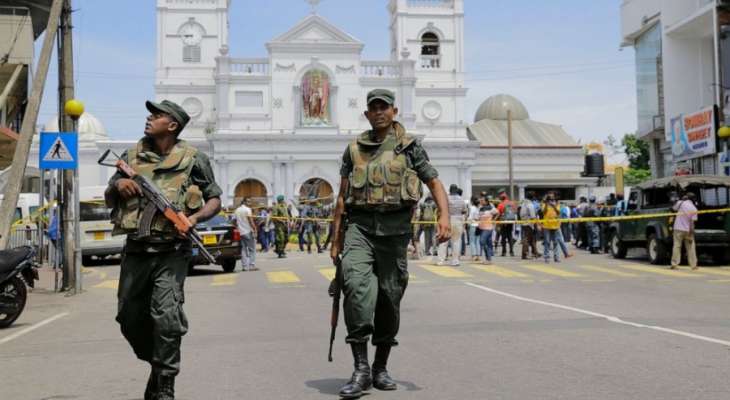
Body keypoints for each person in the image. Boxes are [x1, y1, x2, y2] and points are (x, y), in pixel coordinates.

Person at [330, 89, 450, 398]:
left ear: (394, 111)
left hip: (395, 233)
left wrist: (444, 217)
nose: (379, 112)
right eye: (374, 108)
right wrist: (335, 241)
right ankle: (361, 369)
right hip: (360, 228)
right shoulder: (353, 149)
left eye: (384, 107)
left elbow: (433, 182)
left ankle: (380, 366)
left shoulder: (409, 147)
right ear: (367, 114)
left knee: (388, 299)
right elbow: (342, 198)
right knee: (355, 289)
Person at [105, 100, 222, 400]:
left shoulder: (194, 158)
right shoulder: (131, 156)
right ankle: (158, 368)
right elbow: (109, 193)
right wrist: (119, 187)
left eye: (156, 115)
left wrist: (193, 219)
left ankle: (166, 383)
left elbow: (214, 199)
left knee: (166, 317)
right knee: (129, 319)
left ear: (172, 125)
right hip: (136, 251)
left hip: (172, 251)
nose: (149, 118)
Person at [438, 184, 467, 266]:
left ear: (450, 190)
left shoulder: (446, 198)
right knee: (456, 241)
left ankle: (441, 261)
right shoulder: (461, 199)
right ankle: (455, 261)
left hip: (447, 220)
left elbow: (441, 209)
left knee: (443, 241)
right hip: (458, 220)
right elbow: (464, 211)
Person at [671, 192, 698, 270]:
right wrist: (691, 235)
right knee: (691, 247)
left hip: (678, 228)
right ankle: (693, 265)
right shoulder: (694, 209)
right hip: (688, 230)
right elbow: (692, 224)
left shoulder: (680, 203)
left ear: (686, 197)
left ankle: (674, 264)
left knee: (677, 246)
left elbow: (673, 209)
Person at [234, 197, 258, 271]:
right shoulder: (247, 210)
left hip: (240, 232)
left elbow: (234, 221)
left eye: (250, 201)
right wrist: (255, 229)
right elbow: (251, 221)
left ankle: (244, 266)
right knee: (252, 249)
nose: (249, 203)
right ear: (244, 202)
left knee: (243, 249)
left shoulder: (237, 210)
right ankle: (252, 265)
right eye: (248, 201)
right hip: (247, 231)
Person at [540, 194, 561, 263]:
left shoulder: (557, 204)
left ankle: (556, 257)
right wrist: (546, 204)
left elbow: (558, 212)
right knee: (547, 242)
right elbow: (544, 212)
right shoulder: (544, 204)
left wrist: (554, 206)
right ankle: (547, 257)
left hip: (555, 225)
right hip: (547, 226)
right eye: (550, 199)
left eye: (553, 199)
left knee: (555, 242)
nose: (552, 200)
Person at [478, 197, 499, 264]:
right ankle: (488, 259)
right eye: (480, 200)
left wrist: (494, 220)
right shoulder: (481, 208)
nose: (481, 201)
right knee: (487, 243)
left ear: (486, 201)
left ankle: (489, 258)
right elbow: (479, 217)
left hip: (488, 228)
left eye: (482, 200)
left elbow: (498, 213)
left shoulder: (491, 208)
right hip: (481, 228)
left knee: (482, 241)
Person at [519, 192, 539, 260]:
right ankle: (525, 254)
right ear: (532, 198)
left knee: (532, 239)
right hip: (529, 224)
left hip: (524, 223)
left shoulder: (523, 204)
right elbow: (533, 216)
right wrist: (537, 224)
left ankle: (535, 252)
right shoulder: (530, 205)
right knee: (527, 239)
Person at [467, 196, 480, 261]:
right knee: (477, 241)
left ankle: (473, 255)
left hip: (473, 225)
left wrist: (467, 222)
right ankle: (478, 255)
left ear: (471, 201)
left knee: (472, 241)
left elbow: (470, 217)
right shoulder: (478, 208)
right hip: (478, 225)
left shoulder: (472, 208)